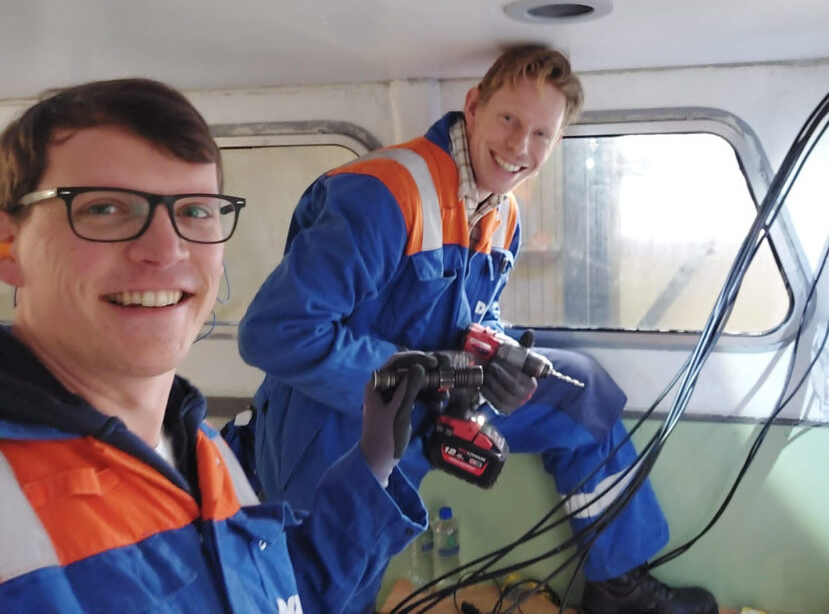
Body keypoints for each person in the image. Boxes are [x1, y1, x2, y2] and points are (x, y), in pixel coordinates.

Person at [238, 46, 719, 614]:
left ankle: (618, 588)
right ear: (473, 107)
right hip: (334, 423)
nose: (521, 147)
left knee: (580, 392)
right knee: (332, 591)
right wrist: (413, 377)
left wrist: (499, 355)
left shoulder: (504, 214)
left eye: (542, 134)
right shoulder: (384, 195)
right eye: (510, 120)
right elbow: (275, 332)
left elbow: (474, 314)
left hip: (432, 400)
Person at [0, 78, 436, 613]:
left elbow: (275, 593)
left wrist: (374, 463)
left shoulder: (204, 449)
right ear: (9, 245)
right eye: (104, 209)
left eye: (196, 210)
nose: (166, 249)